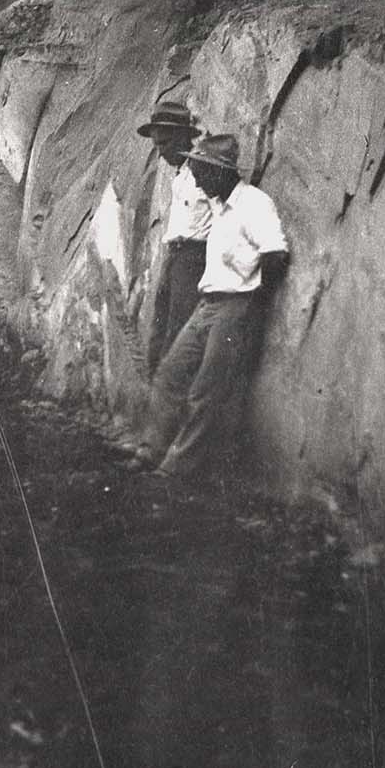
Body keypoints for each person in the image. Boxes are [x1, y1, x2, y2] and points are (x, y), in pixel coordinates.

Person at [146, 132, 288, 489]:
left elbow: (275, 253)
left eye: (202, 174)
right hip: (207, 304)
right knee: (169, 374)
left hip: (235, 305)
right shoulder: (218, 206)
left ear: (220, 172)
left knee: (206, 390)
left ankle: (177, 468)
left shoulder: (255, 204)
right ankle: (153, 449)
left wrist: (251, 300)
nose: (198, 182)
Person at [138, 99, 214, 368]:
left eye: (165, 143)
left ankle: (170, 384)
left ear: (183, 137)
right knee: (159, 322)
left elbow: (222, 217)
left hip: (194, 258)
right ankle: (154, 380)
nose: (161, 153)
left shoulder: (205, 171)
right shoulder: (180, 175)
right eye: (157, 145)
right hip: (174, 255)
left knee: (178, 326)